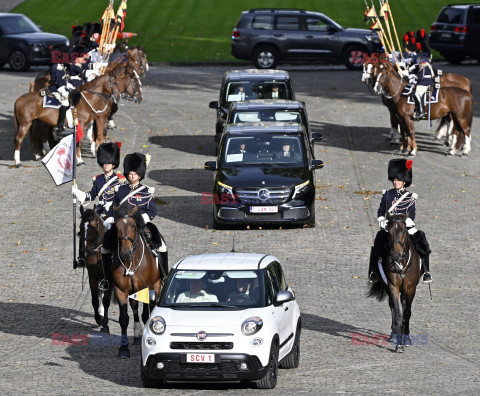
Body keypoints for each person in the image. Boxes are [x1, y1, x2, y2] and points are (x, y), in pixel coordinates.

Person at [368, 159, 432, 283]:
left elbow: (412, 214)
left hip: (404, 225)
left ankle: (426, 271)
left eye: (399, 180)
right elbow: (381, 211)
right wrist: (381, 220)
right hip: (390, 226)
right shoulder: (387, 195)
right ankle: (373, 272)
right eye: (395, 180)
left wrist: (406, 221)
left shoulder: (409, 196)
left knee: (422, 240)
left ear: (404, 181)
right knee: (377, 243)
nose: (396, 182)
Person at [71, 142, 124, 285]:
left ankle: (118, 261)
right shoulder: (98, 179)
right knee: (86, 229)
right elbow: (90, 196)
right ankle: (82, 257)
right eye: (104, 163)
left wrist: (114, 208)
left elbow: (123, 200)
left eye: (109, 163)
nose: (106, 165)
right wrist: (78, 193)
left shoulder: (120, 180)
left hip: (112, 215)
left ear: (113, 164)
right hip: (99, 213)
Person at [408, 55, 434, 120]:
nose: (418, 61)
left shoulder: (424, 64)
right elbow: (413, 69)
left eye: (419, 60)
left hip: (425, 82)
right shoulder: (420, 64)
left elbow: (420, 76)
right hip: (422, 82)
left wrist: (414, 77)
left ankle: (421, 111)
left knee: (417, 95)